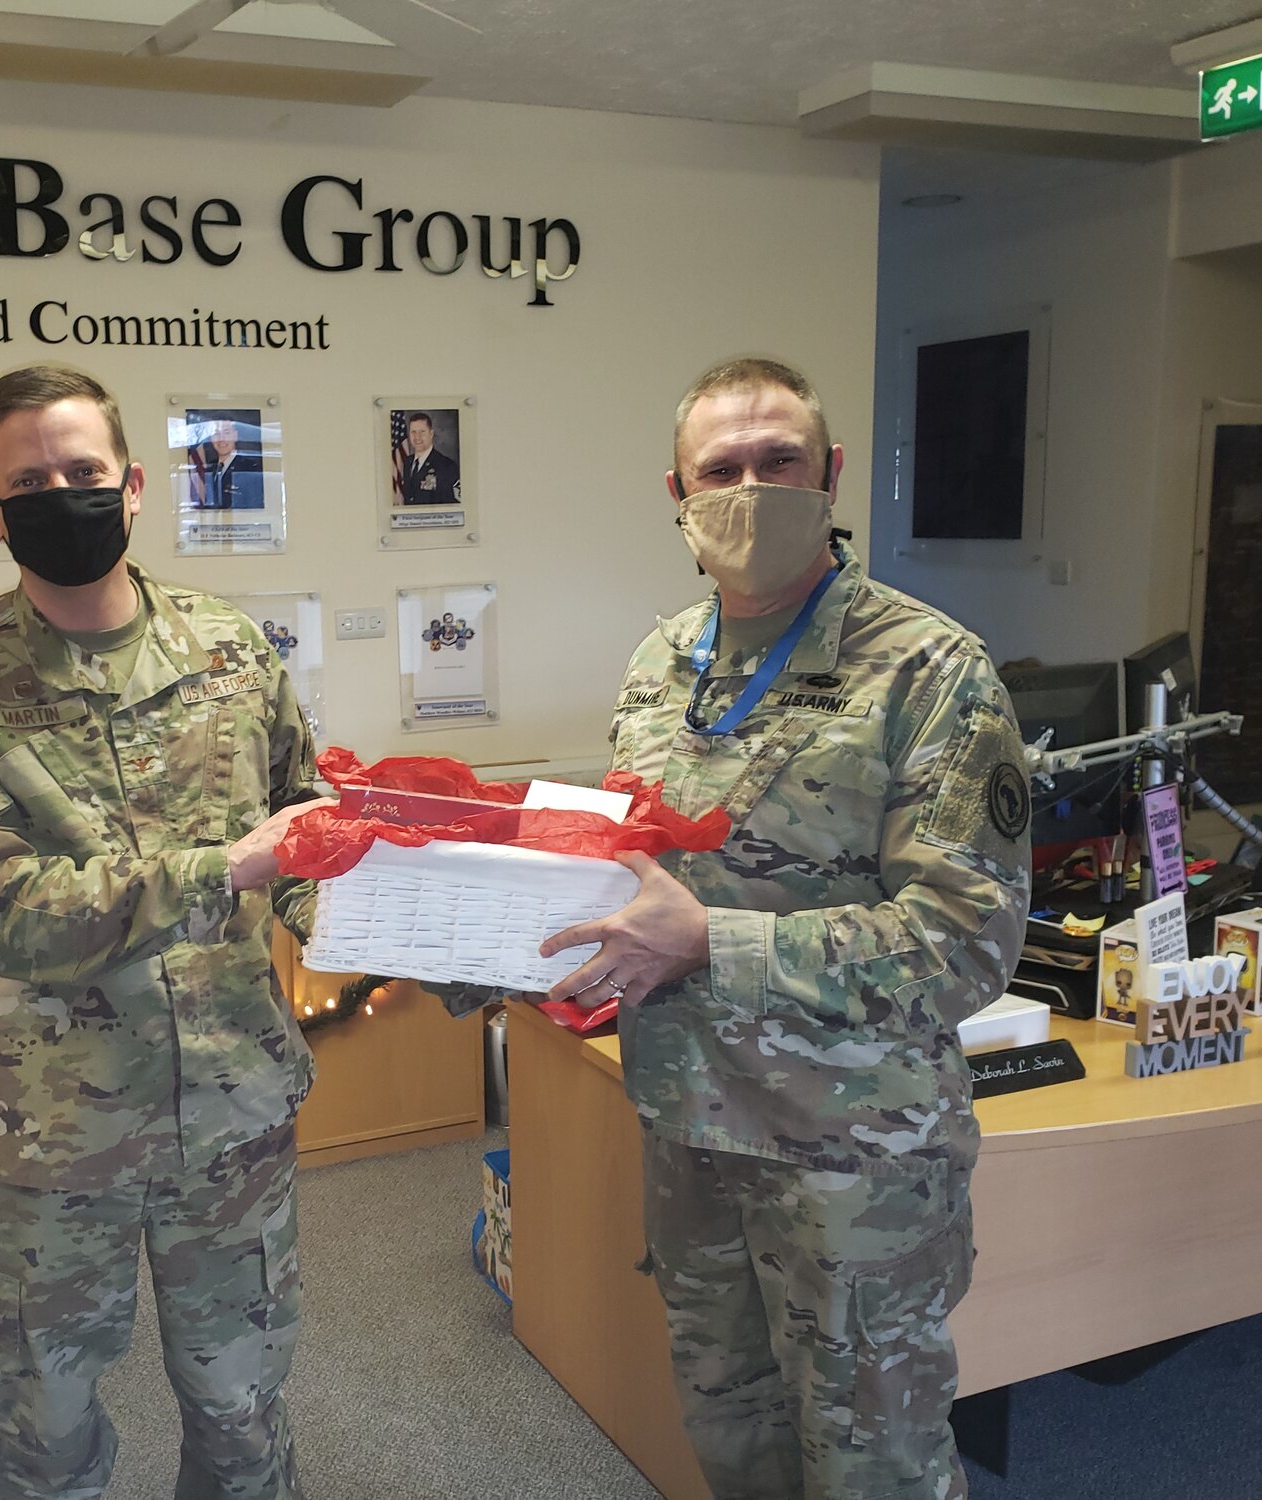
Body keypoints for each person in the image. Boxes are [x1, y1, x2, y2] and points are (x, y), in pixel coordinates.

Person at [537, 356, 1032, 1500]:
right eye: (720, 469)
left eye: (779, 462)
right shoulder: (660, 662)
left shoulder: (929, 669)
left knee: (874, 1465)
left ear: (831, 475)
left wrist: (713, 942)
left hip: (852, 1156)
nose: (748, 488)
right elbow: (637, 869)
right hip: (693, 1131)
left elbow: (963, 944)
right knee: (734, 1435)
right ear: (675, 492)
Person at [0, 362, 331, 1500]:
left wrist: (461, 931)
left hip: (232, 1120)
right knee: (41, 1439)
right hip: (49, 1143)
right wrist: (220, 868)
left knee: (242, 1417)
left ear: (133, 487)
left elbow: (307, 844)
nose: (59, 494)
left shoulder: (230, 651)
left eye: (82, 472)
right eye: (27, 480)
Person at [189, 418, 263, 510]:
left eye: (227, 433)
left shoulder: (250, 468)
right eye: (216, 433)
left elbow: (255, 506)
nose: (221, 439)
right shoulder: (208, 470)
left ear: (235, 435)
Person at [398, 412, 460, 505]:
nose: (417, 437)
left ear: (431, 433)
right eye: (413, 432)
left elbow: (453, 505)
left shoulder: (447, 466)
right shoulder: (407, 462)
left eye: (422, 432)